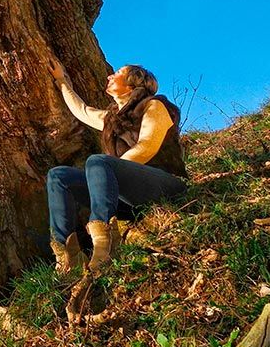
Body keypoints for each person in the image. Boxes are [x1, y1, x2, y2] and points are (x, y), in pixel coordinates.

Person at [46, 59, 187, 273]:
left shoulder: (154, 106)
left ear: (133, 83)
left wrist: (105, 172)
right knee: (58, 176)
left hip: (166, 187)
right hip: (128, 200)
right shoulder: (113, 119)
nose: (110, 76)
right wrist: (61, 80)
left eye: (118, 73)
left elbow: (147, 146)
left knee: (97, 162)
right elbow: (82, 111)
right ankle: (67, 257)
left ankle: (105, 247)